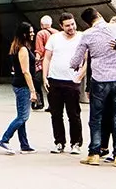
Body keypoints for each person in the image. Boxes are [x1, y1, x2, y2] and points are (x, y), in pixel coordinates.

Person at [69, 8, 116, 168]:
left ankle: (94, 153)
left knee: (96, 117)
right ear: (98, 15)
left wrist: (74, 65)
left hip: (100, 79)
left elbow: (76, 60)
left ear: (87, 22)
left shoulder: (87, 34)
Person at [40, 13, 83, 154]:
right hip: (55, 80)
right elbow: (47, 58)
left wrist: (80, 75)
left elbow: (88, 58)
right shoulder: (54, 38)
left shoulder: (82, 37)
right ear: (61, 26)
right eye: (67, 25)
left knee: (74, 114)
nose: (71, 27)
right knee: (56, 114)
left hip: (72, 81)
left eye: (72, 24)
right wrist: (45, 77)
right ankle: (59, 142)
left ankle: (76, 143)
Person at [0, 21, 37, 154]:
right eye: (30, 32)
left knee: (21, 116)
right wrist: (33, 90)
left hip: (18, 84)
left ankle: (24, 145)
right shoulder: (23, 49)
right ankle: (5, 139)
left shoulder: (16, 46)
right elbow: (26, 71)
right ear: (24, 34)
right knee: (23, 117)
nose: (33, 34)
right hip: (23, 85)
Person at [32, 16, 55, 110]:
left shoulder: (40, 33)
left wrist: (36, 61)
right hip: (54, 62)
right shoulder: (57, 33)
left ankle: (39, 102)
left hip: (44, 62)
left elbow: (39, 50)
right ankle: (52, 104)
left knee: (36, 81)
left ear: (41, 25)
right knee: (51, 83)